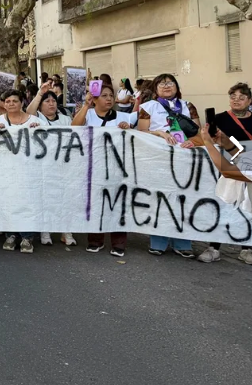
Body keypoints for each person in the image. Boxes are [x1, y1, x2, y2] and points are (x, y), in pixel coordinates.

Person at [137, 74, 201, 257]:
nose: (166, 86)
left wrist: (193, 142)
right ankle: (158, 241)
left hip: (185, 160)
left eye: (170, 82)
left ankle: (182, 243)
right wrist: (159, 133)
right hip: (159, 159)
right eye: (162, 83)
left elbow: (198, 133)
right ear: (155, 88)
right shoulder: (148, 108)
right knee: (160, 198)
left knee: (183, 199)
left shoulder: (188, 106)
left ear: (177, 86)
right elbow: (141, 133)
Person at [72, 83, 136, 257]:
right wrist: (86, 106)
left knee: (118, 204)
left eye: (110, 95)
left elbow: (136, 139)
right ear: (95, 98)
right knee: (95, 204)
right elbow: (74, 128)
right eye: (104, 95)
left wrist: (128, 129)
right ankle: (95, 240)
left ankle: (119, 242)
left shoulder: (124, 117)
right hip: (94, 167)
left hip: (118, 168)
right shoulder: (88, 114)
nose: (108, 99)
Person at [197, 83, 252, 263]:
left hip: (238, 174)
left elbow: (228, 171)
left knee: (245, 211)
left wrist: (209, 143)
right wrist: (223, 140)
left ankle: (247, 247)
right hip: (237, 168)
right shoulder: (222, 118)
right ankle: (214, 246)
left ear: (249, 101)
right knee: (224, 207)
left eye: (241, 97)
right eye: (233, 96)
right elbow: (240, 154)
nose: (236, 100)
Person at [0, 90, 41, 253]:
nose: (11, 104)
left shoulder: (35, 121)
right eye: (8, 101)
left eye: (15, 101)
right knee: (8, 201)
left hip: (29, 170)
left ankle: (27, 237)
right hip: (5, 170)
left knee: (27, 202)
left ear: (22, 103)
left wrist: (38, 131)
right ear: (3, 104)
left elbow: (45, 143)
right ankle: (10, 234)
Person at [25, 83, 77, 247]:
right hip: (42, 165)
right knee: (45, 197)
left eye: (53, 101)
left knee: (64, 197)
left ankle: (65, 230)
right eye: (47, 101)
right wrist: (40, 93)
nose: (51, 103)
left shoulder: (65, 119)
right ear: (40, 105)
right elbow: (28, 113)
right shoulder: (36, 119)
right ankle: (45, 229)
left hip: (63, 165)